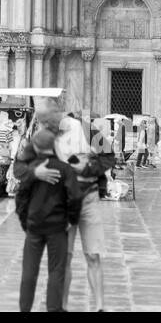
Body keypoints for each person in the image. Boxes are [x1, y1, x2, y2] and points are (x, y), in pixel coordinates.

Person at [42, 113, 114, 312]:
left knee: (93, 254)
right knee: (65, 257)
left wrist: (88, 167)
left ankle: (100, 307)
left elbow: (108, 156)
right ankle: (62, 306)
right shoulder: (46, 136)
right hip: (63, 202)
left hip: (89, 198)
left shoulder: (87, 129)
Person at [13, 128, 81, 312]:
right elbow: (74, 197)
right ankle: (53, 308)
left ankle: (24, 309)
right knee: (56, 271)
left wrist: (24, 221)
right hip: (57, 227)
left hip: (34, 226)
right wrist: (71, 220)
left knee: (28, 272)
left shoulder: (32, 169)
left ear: (35, 146)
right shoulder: (64, 168)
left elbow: (20, 198)